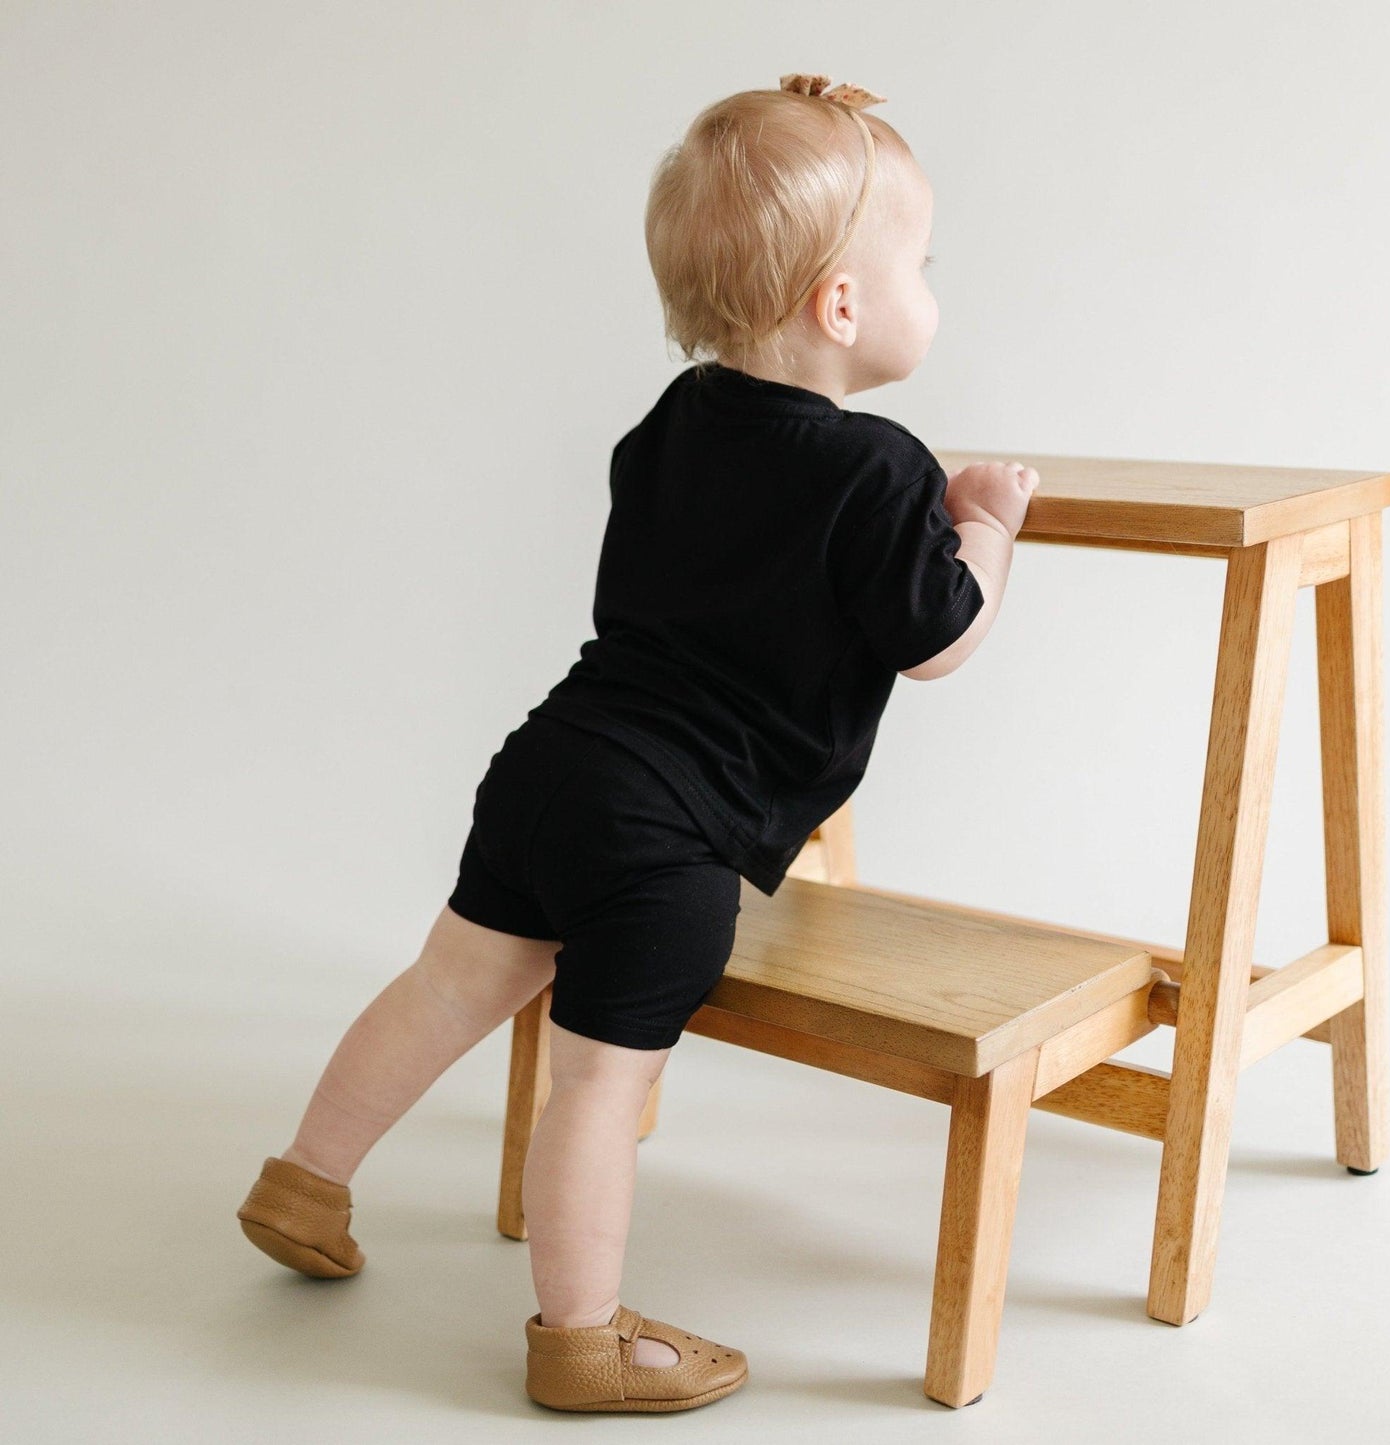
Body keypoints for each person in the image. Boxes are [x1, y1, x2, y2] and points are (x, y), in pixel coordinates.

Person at [235, 71, 1039, 1414]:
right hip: (666, 837)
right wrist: (987, 523)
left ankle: (305, 1179)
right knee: (600, 1078)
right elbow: (937, 635)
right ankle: (580, 1335)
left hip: (552, 763)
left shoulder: (663, 428)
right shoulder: (880, 468)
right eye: (921, 261)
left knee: (444, 983)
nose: (931, 286)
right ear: (841, 305)